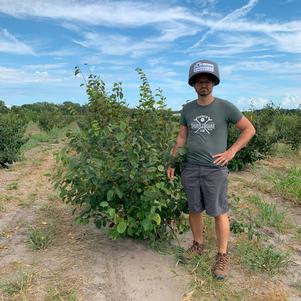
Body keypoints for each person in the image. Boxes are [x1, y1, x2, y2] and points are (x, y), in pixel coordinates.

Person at [167, 59, 256, 280]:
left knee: (219, 212)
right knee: (194, 209)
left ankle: (223, 256)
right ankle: (197, 244)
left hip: (215, 170)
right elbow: (181, 137)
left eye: (207, 81)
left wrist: (231, 151)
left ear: (214, 83)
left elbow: (249, 129)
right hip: (190, 168)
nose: (203, 85)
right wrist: (171, 161)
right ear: (193, 84)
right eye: (199, 81)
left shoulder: (225, 107)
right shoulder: (187, 109)